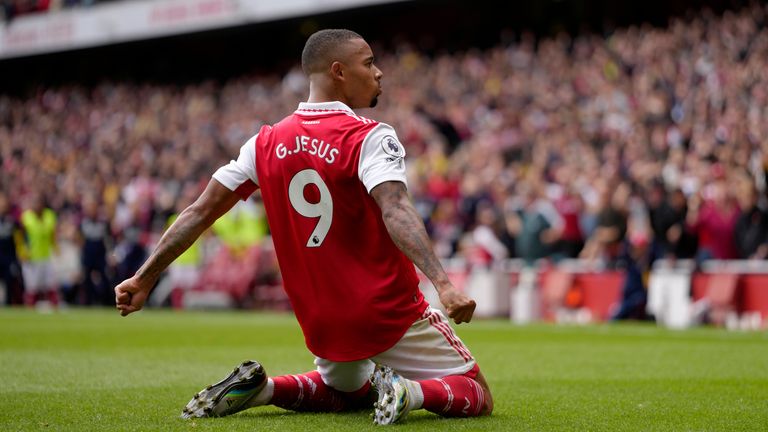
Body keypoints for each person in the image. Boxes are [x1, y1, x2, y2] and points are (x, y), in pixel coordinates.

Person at [114, 29, 493, 425]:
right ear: (338, 72)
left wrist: (143, 278)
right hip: (386, 311)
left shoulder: (262, 144)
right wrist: (444, 284)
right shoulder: (367, 136)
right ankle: (409, 389)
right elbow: (395, 207)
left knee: (347, 393)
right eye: (368, 63)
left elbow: (198, 212)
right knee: (478, 393)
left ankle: (264, 389)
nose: (379, 73)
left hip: (320, 318)